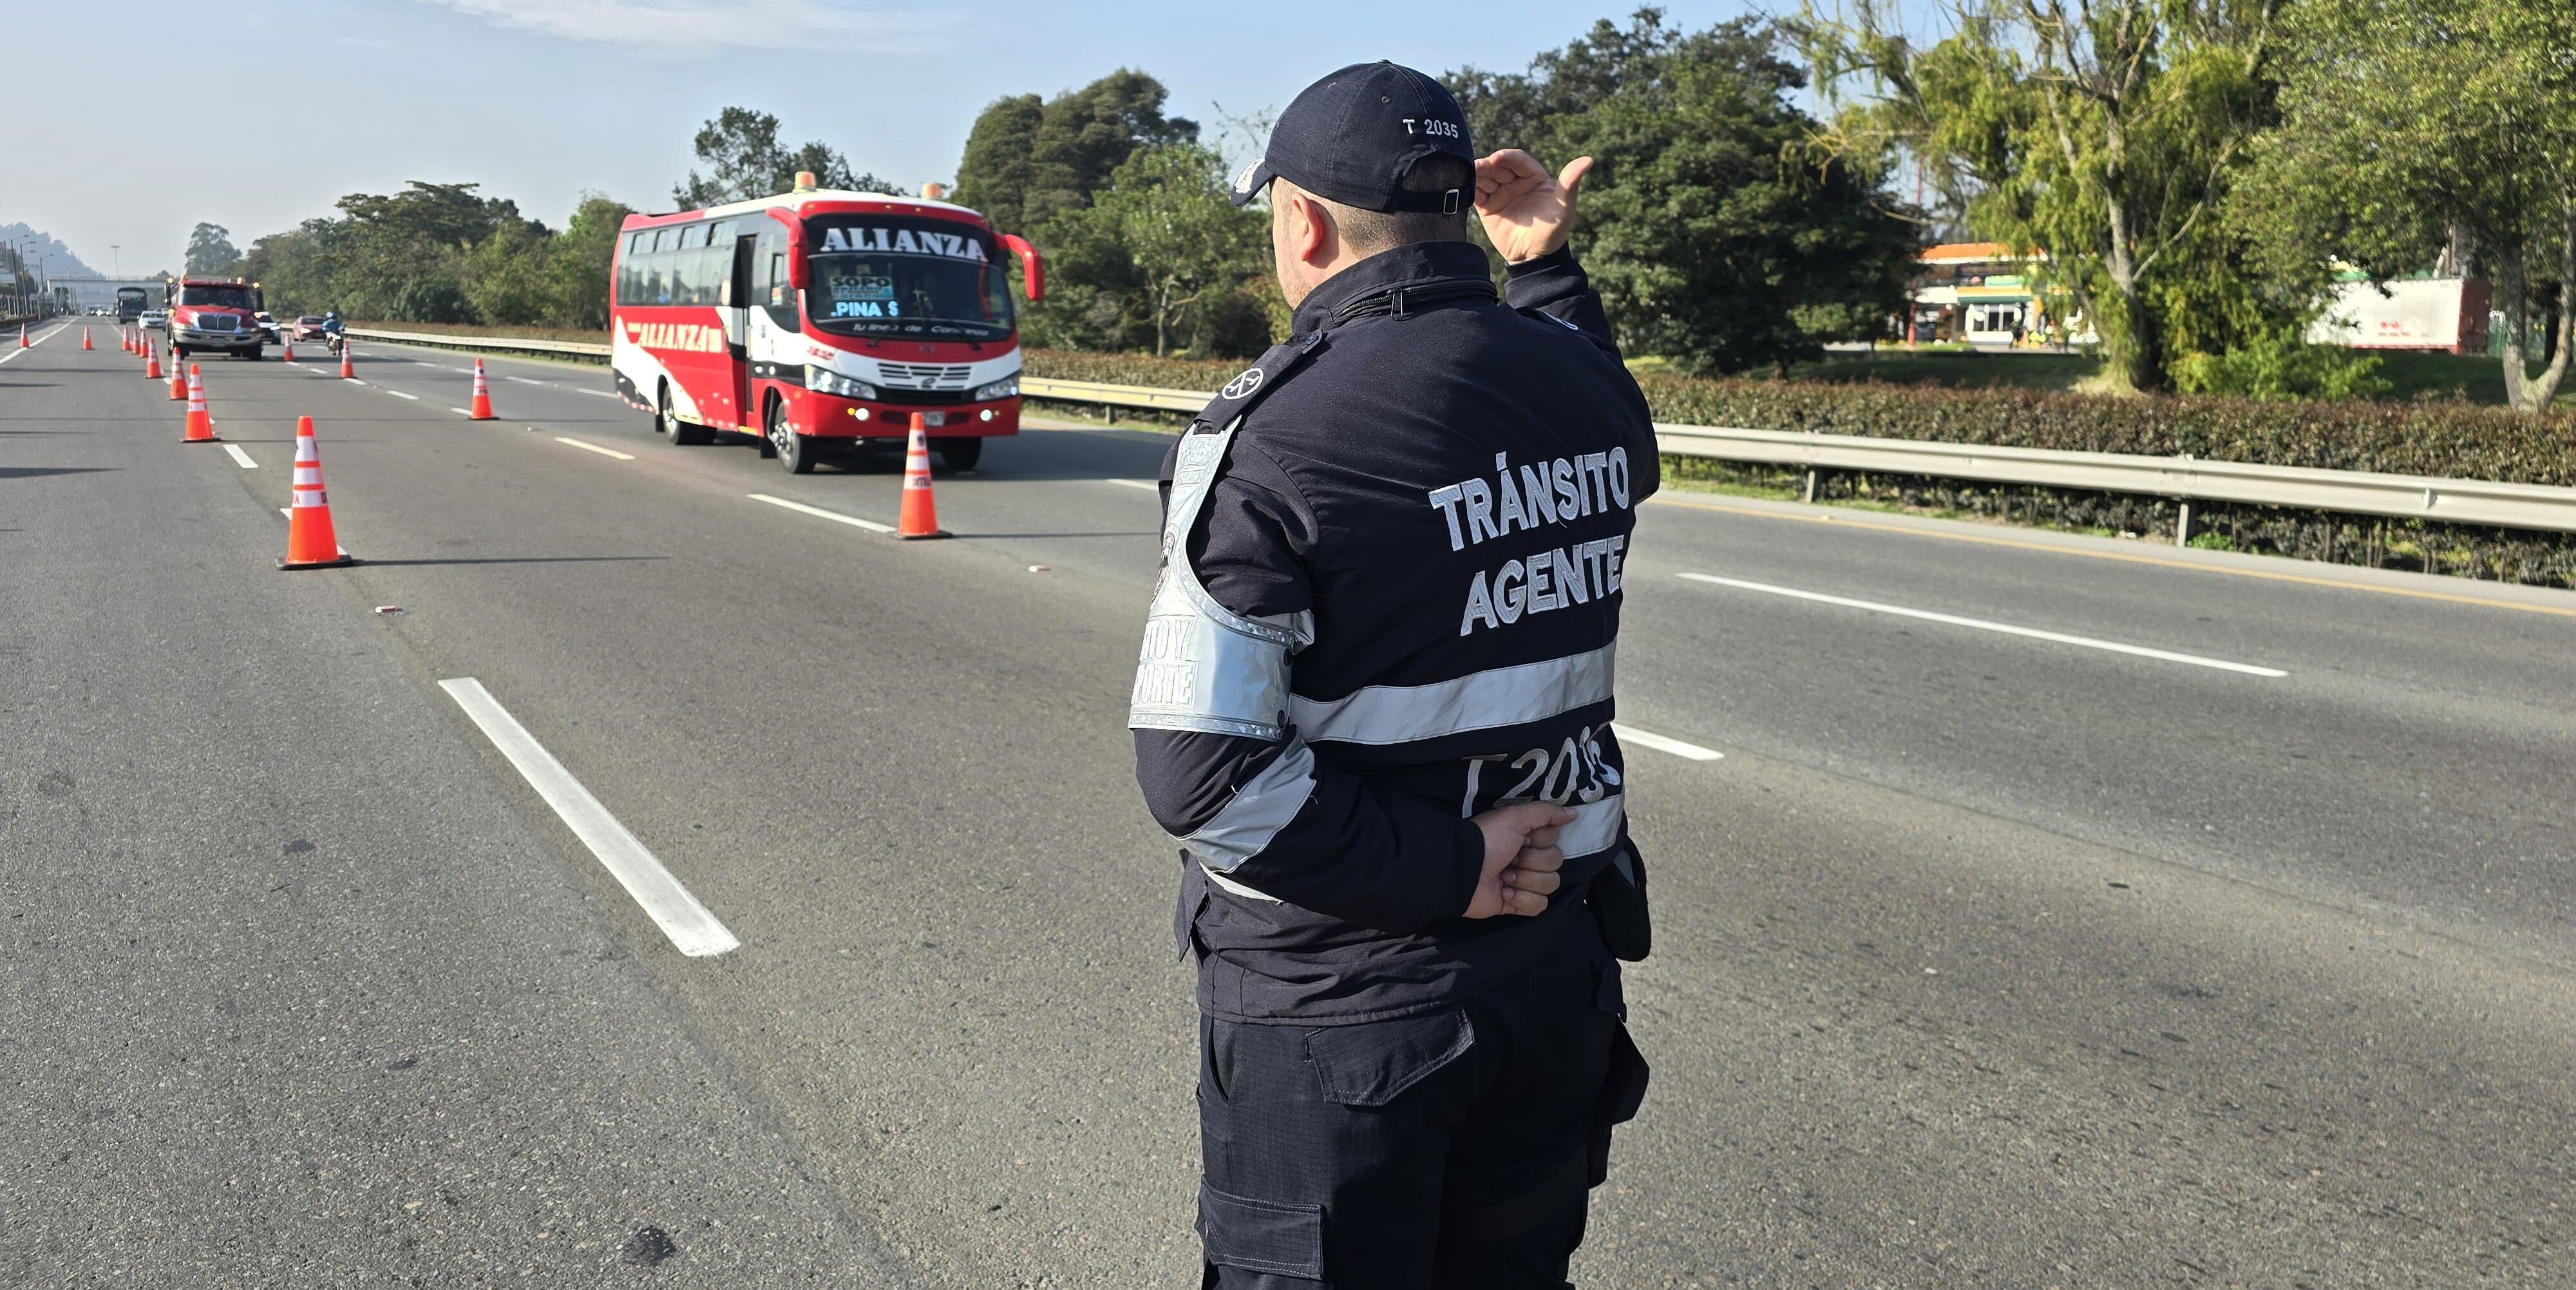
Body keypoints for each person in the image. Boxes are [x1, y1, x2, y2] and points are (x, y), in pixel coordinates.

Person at [1128, 61, 1658, 1289]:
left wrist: (1452, 867)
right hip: (1553, 983)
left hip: (1345, 1013)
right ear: (1453, 207)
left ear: (1303, 221)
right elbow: (1604, 427)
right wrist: (1543, 267)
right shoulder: (1581, 382)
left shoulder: (1271, 439)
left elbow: (1201, 781)